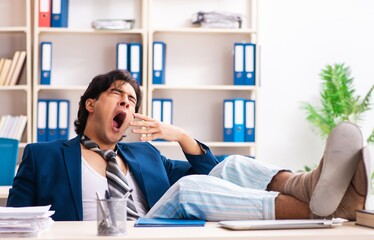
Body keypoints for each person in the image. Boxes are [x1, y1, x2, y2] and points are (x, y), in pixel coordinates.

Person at [7, 69, 369, 221]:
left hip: (153, 230)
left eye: (133, 101)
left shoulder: (143, 153)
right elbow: (13, 224)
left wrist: (178, 136)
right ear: (90, 104)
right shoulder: (44, 155)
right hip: (100, 235)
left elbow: (208, 171)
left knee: (227, 166)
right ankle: (327, 208)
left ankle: (318, 191)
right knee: (187, 190)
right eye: (118, 95)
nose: (127, 104)